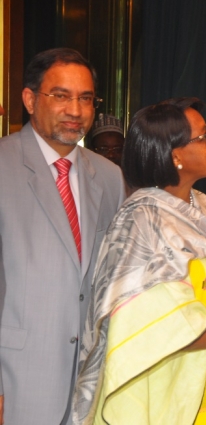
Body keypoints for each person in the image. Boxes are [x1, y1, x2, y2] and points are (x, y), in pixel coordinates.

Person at [73, 97, 206, 425]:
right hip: (160, 395)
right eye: (202, 137)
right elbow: (178, 328)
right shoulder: (142, 225)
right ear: (175, 156)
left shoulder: (201, 210)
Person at [0, 48, 125, 424]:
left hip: (91, 383)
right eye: (61, 96)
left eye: (85, 98)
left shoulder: (107, 176)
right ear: (29, 99)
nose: (76, 110)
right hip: (18, 380)